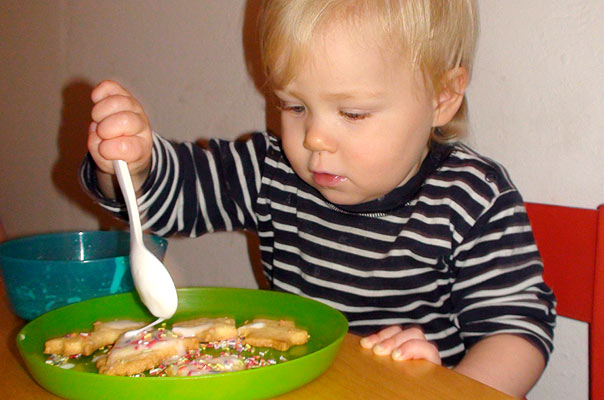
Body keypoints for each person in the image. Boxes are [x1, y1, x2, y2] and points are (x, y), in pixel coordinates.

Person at [80, 0, 555, 396]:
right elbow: (175, 195)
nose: (314, 139)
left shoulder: (472, 197)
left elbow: (515, 332)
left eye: (352, 112)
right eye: (294, 106)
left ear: (442, 97)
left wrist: (452, 391)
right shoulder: (272, 171)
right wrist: (133, 167)